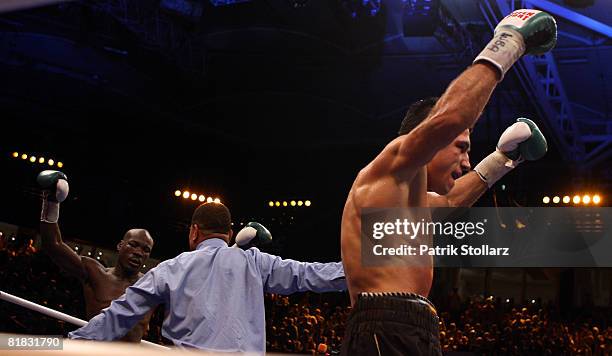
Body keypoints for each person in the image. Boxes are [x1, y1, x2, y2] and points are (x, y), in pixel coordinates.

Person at [340, 9, 556, 355]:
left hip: (408, 325)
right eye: (460, 148)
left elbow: (454, 201)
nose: (466, 161)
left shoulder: (405, 206)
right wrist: (509, 42)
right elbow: (451, 116)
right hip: (386, 325)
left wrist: (503, 160)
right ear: (428, 137)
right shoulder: (387, 172)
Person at [68, 202, 346, 354]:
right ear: (228, 233)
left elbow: (121, 313)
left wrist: (71, 340)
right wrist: (374, 270)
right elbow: (312, 275)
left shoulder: (173, 267)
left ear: (194, 231)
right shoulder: (254, 262)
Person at [37, 170, 155, 342]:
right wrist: (51, 201)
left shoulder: (153, 284)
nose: (139, 252)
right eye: (133, 245)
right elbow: (53, 245)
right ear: (120, 246)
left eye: (146, 250)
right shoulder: (95, 272)